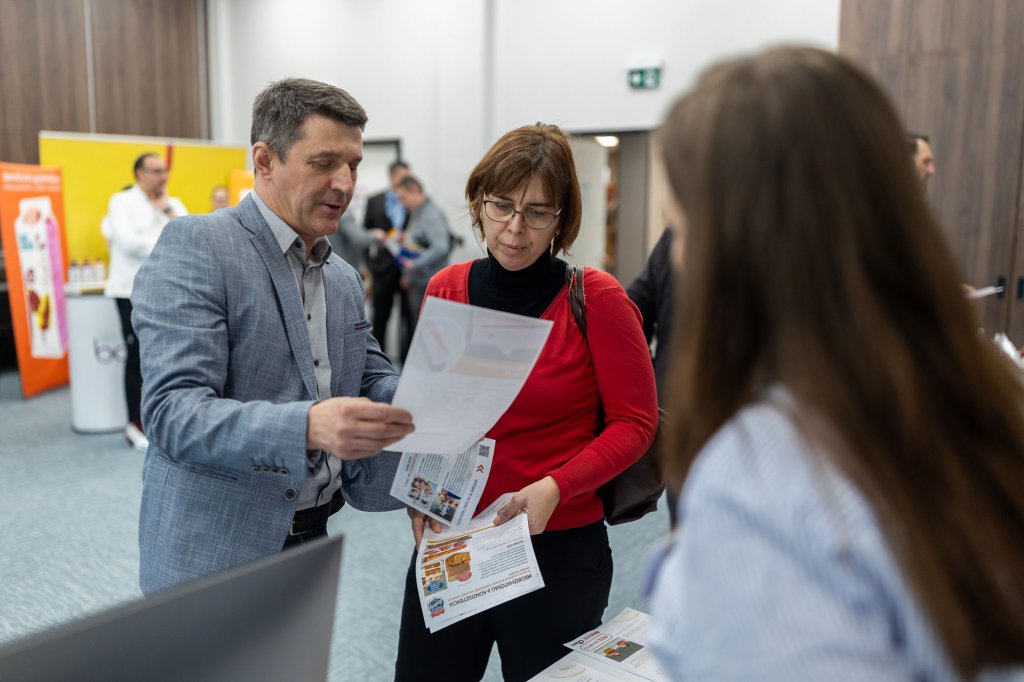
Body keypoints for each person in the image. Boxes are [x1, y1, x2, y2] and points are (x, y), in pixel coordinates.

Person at [647, 47, 1024, 680]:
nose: (678, 259)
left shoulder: (758, 477)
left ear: (737, 249)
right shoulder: (991, 399)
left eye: (680, 231)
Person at [394, 123, 659, 682]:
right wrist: (421, 497)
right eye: (502, 206)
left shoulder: (597, 299)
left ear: (562, 219)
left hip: (556, 547)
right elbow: (436, 414)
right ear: (478, 202)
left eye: (537, 213)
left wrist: (556, 487)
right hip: (455, 541)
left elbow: (635, 423)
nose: (514, 229)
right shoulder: (446, 288)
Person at [131, 77, 414, 595]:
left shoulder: (342, 277)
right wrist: (307, 427)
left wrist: (438, 395)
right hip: (216, 548)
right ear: (264, 161)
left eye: (353, 165)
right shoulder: (199, 245)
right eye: (324, 162)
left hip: (313, 536)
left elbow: (371, 379)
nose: (345, 184)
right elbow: (173, 414)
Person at [103, 152, 187, 453]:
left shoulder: (173, 203)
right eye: (156, 171)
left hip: (168, 289)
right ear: (139, 173)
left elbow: (190, 236)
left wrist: (166, 211)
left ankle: (163, 420)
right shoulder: (121, 202)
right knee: (137, 355)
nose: (163, 177)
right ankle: (134, 425)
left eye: (164, 171)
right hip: (130, 291)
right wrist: (167, 238)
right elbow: (129, 243)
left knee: (169, 357)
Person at [626, 229, 676, 524]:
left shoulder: (679, 233)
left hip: (679, 406)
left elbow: (633, 313)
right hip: (755, 416)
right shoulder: (774, 232)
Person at [393, 175, 451, 350]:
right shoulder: (418, 212)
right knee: (421, 332)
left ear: (415, 191)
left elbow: (441, 247)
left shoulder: (430, 214)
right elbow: (420, 242)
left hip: (427, 284)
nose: (402, 203)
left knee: (428, 335)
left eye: (403, 198)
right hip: (418, 282)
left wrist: (414, 265)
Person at [364, 160, 412, 358]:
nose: (408, 181)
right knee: (381, 318)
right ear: (392, 177)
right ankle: (378, 363)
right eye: (403, 177)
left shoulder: (412, 199)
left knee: (409, 318)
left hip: (408, 269)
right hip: (382, 269)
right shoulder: (374, 200)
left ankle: (406, 361)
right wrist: (369, 265)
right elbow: (365, 235)